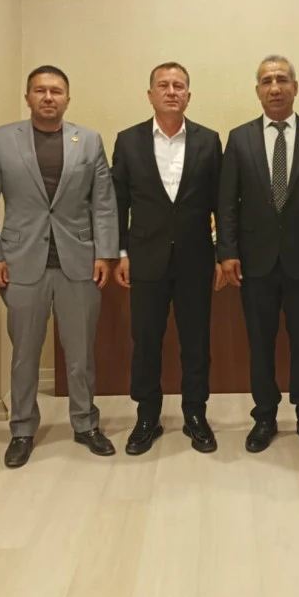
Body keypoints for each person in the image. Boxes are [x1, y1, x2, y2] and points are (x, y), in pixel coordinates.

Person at [0, 65, 119, 467]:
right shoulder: (1, 139)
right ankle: (22, 429)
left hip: (80, 261)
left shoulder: (88, 140)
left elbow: (103, 202)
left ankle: (85, 423)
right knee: (24, 353)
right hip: (20, 262)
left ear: (68, 99)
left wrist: (105, 254)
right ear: (28, 98)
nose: (48, 97)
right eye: (40, 90)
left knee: (80, 353)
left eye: (56, 91)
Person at [218, 55, 299, 456]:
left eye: (282, 80)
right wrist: (227, 252)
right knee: (260, 344)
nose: (275, 87)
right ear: (257, 90)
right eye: (267, 81)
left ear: (295, 87)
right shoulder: (239, 138)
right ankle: (265, 417)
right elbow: (227, 202)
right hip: (254, 263)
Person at [112, 62, 224, 455]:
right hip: (145, 259)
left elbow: (221, 203)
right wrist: (121, 252)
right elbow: (118, 202)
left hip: (196, 258)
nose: (171, 91)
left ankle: (196, 414)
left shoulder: (209, 141)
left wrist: (222, 254)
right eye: (163, 85)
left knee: (196, 342)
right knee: (146, 342)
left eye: (179, 85)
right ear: (150, 94)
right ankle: (147, 417)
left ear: (188, 95)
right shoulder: (128, 141)